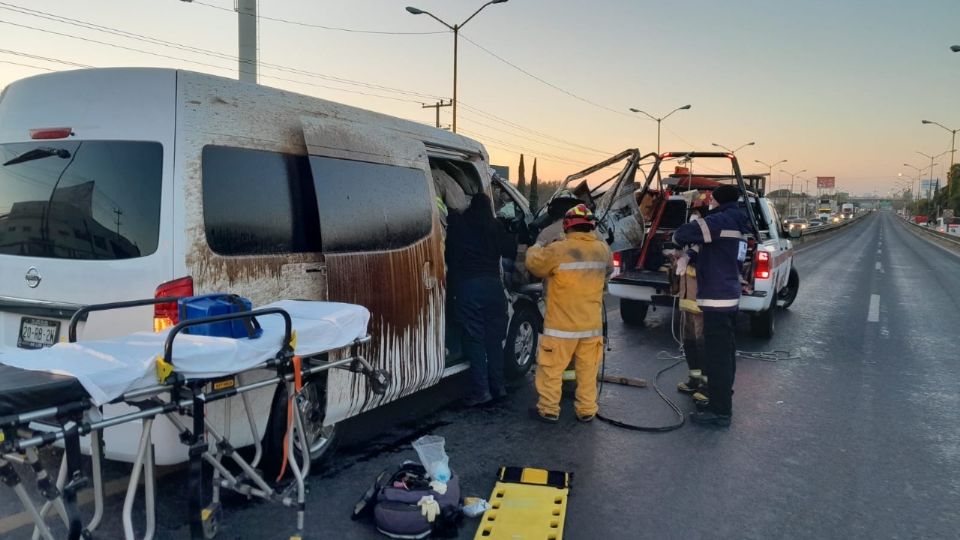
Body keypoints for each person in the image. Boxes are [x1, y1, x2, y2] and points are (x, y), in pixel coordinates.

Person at [672, 184, 751, 427]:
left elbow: (682, 234)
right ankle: (722, 397)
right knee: (725, 354)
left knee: (717, 357)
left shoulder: (719, 221)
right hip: (728, 294)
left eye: (711, 200)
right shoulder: (737, 221)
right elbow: (711, 248)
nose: (709, 203)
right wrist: (690, 256)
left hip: (717, 297)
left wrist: (695, 221)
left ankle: (720, 412)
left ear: (716, 200)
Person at [525, 204, 613, 423]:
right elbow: (608, 272)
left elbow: (534, 264)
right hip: (591, 327)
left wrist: (537, 245)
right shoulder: (603, 249)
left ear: (567, 226)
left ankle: (548, 409)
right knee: (587, 371)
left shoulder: (558, 249)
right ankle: (586, 410)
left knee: (551, 370)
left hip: (561, 327)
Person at [445, 193, 516, 406]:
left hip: (469, 287)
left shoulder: (460, 224)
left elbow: (449, 254)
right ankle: (499, 386)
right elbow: (510, 249)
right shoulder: (496, 226)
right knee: (494, 340)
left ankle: (481, 391)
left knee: (474, 339)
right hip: (494, 287)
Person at [674, 194, 709, 398]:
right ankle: (694, 378)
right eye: (693, 212)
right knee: (689, 341)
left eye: (697, 212)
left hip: (702, 301)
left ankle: (706, 384)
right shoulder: (691, 237)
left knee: (702, 342)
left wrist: (690, 258)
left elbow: (705, 262)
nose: (694, 217)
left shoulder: (710, 237)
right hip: (687, 299)